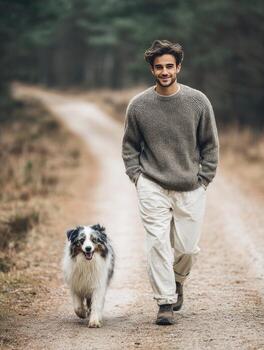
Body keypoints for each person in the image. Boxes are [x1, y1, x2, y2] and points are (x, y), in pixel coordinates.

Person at [122, 39, 219, 325]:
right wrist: (137, 177)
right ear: (152, 70)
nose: (164, 72)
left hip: (191, 185)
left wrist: (204, 179)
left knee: (187, 248)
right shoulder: (138, 105)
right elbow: (129, 146)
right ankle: (164, 302)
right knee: (157, 243)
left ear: (178, 67)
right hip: (151, 183)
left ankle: (177, 281)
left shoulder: (197, 101)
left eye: (169, 66)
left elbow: (210, 144)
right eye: (158, 67)